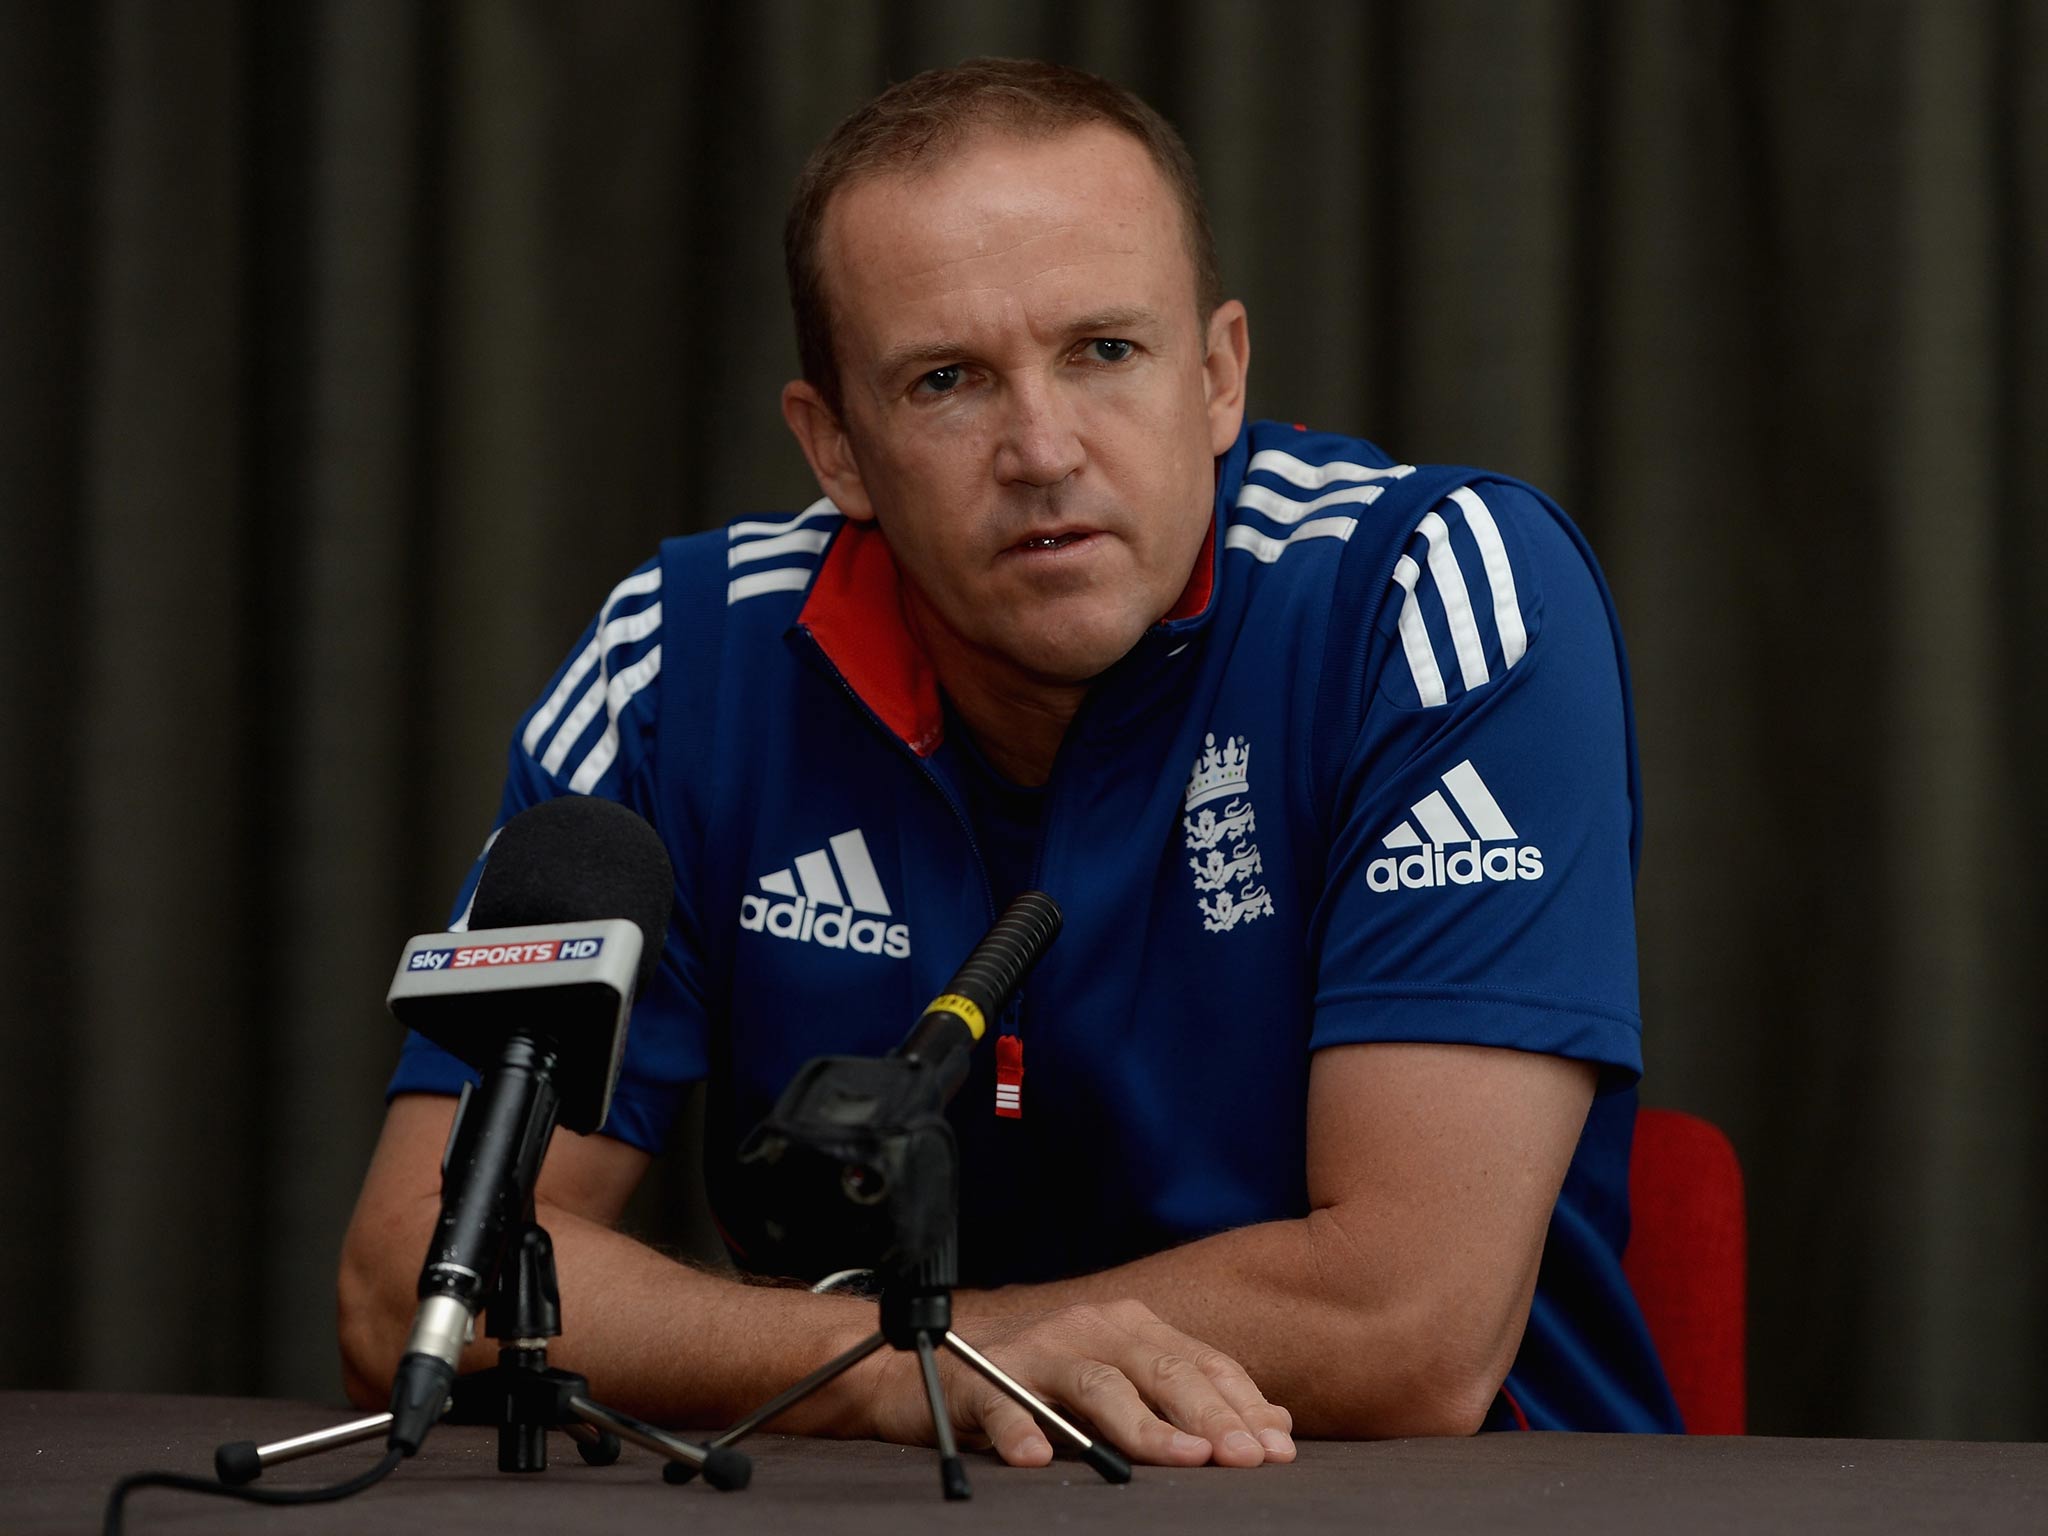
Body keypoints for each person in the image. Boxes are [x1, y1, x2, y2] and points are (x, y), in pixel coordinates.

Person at [338, 58, 1681, 1466]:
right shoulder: (675, 672)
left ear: (1219, 375)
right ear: (837, 447)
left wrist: (941, 1350)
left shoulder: (1431, 596)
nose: (1042, 448)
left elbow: (1407, 1330)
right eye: (947, 381)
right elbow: (417, 1281)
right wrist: (908, 1366)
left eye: (1105, 350)